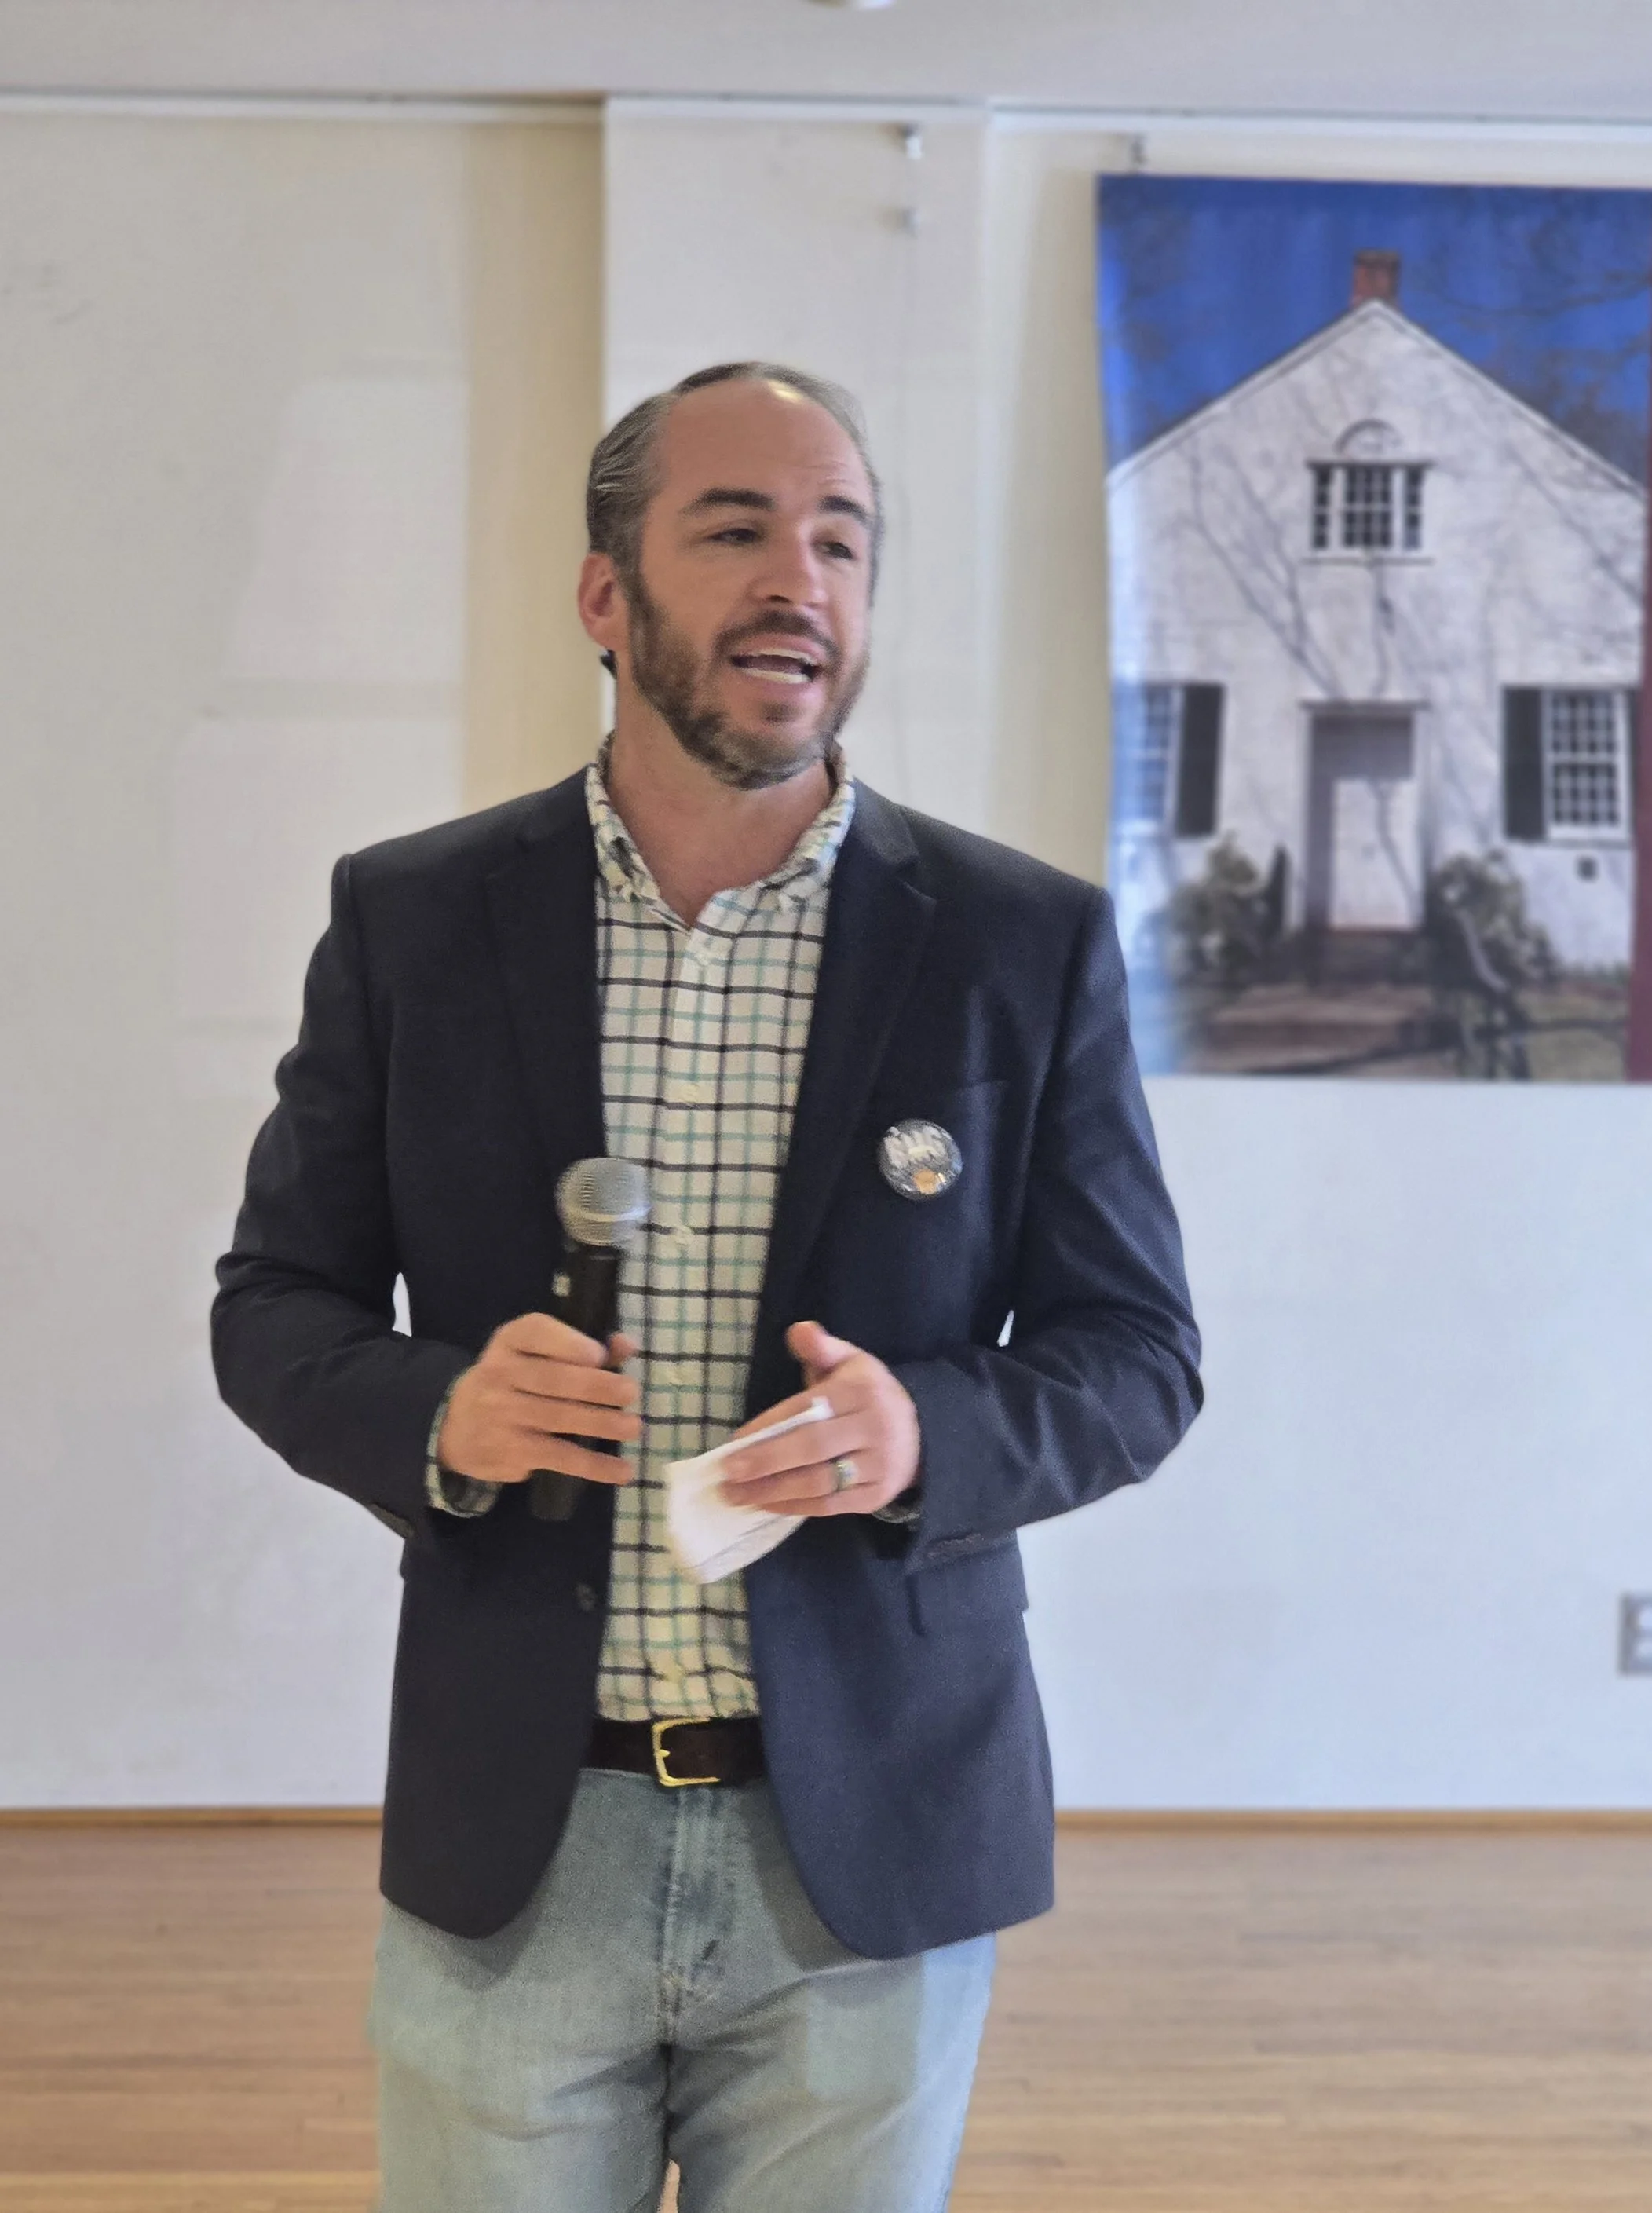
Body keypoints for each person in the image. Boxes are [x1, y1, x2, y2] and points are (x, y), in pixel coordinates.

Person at [212, 361, 1201, 2213]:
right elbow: (274, 1302)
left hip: (867, 1855)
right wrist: (438, 1411)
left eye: (840, 539)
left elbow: (1134, 1354)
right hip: (523, 1834)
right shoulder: (411, 918)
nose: (797, 580)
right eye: (734, 528)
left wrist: (931, 1428)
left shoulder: (1018, 942)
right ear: (606, 596)